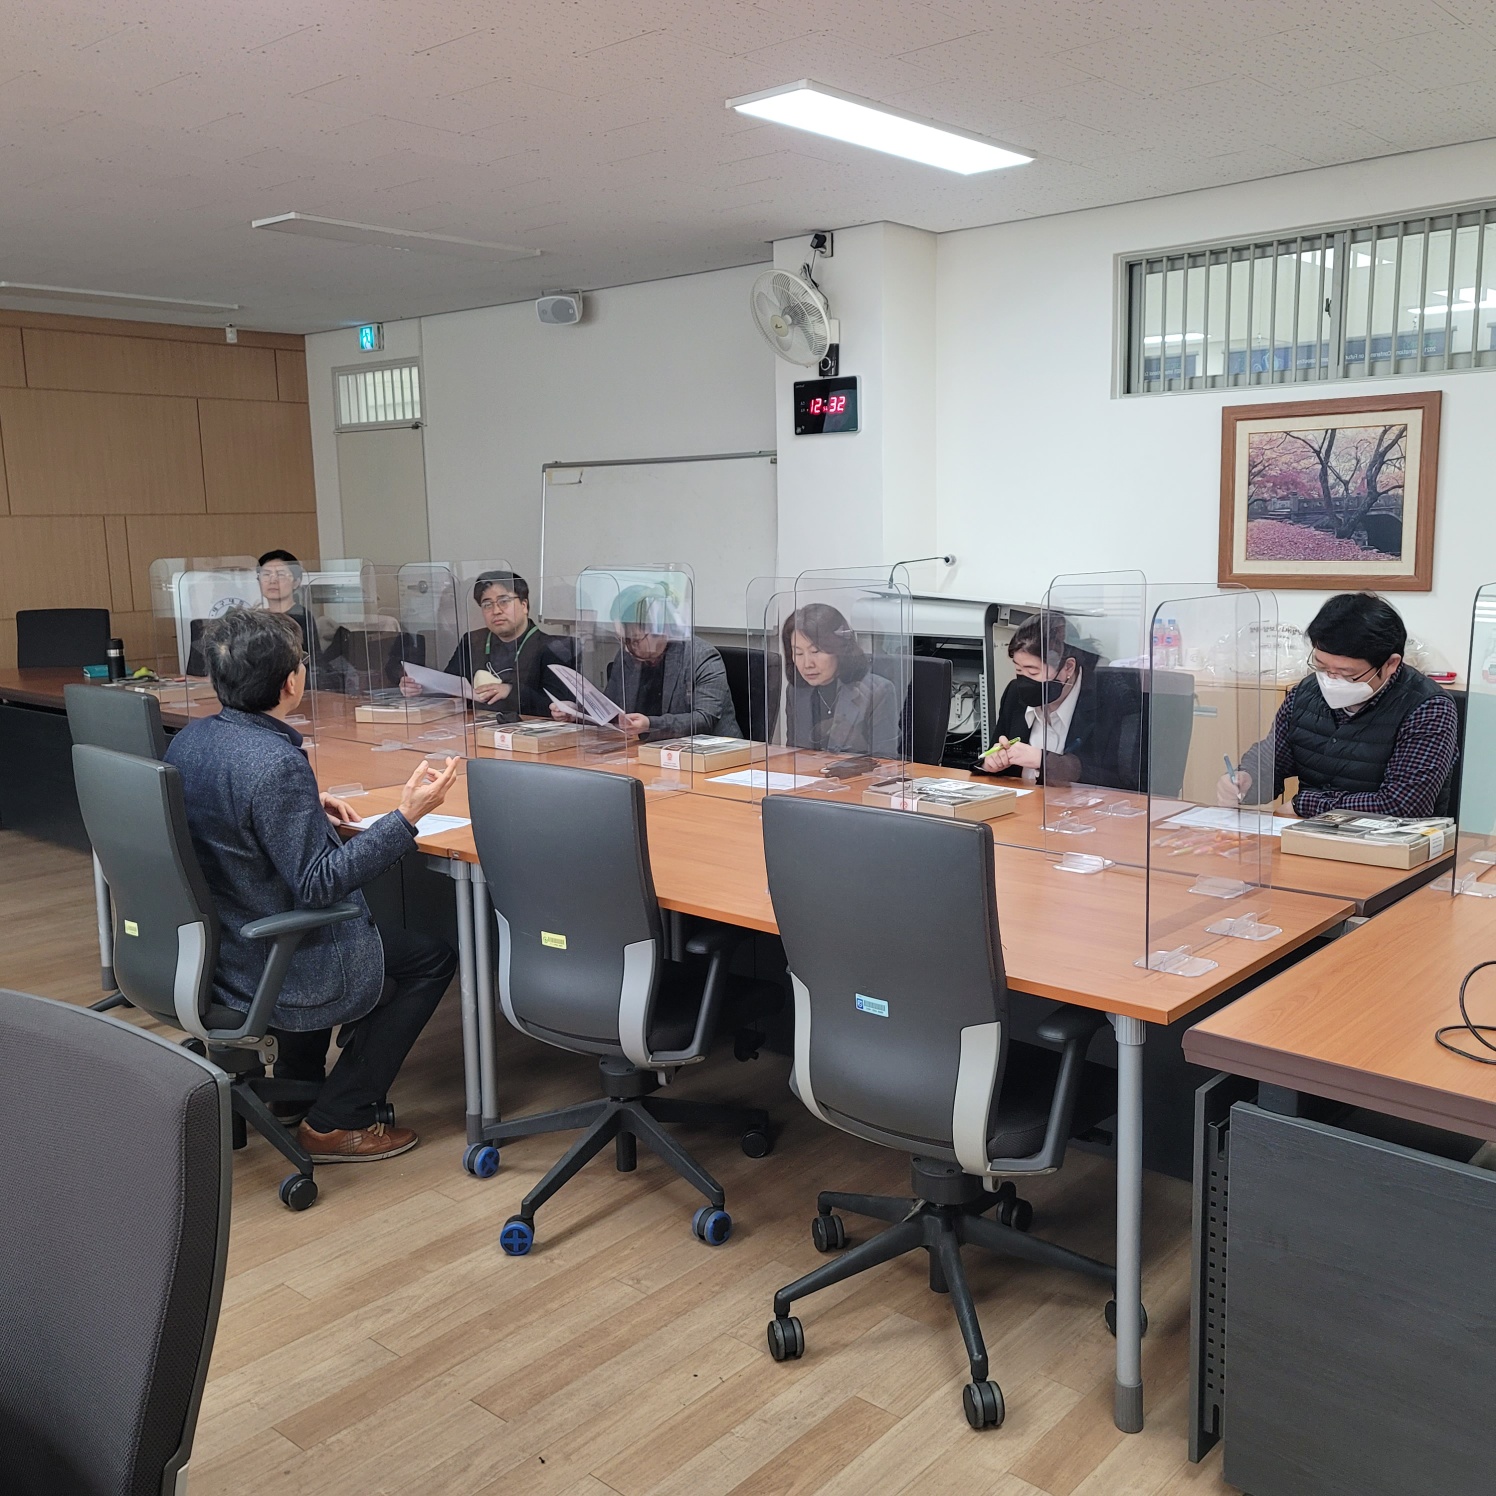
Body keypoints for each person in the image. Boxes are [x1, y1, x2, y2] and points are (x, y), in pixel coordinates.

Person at [164, 608, 461, 1163]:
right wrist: (406, 817)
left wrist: (304, 809)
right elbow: (319, 884)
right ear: (290, 683)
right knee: (431, 959)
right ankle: (337, 1119)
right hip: (266, 951)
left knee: (325, 932)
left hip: (220, 941)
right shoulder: (275, 763)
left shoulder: (193, 738)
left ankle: (292, 1092)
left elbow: (230, 819)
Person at [1221, 592, 1457, 817]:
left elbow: (1403, 805)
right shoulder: (1305, 692)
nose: (1331, 680)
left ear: (1390, 664)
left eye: (1347, 674)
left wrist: (1306, 804)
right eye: (1321, 666)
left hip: (1388, 842)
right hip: (1308, 834)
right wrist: (1246, 779)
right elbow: (1274, 759)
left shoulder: (1428, 708)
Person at [975, 613, 1145, 790]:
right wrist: (991, 763)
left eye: (1033, 672)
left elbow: (1123, 780)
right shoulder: (1014, 694)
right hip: (1023, 804)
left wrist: (1044, 761)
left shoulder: (1111, 699)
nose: (1024, 681)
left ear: (1068, 667)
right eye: (1019, 670)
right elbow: (994, 763)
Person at [555, 583, 739, 740]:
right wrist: (576, 712)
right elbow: (611, 709)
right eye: (622, 640)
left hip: (712, 755)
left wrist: (650, 724)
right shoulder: (627, 655)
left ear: (659, 628)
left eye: (634, 640)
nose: (627, 649)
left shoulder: (701, 657)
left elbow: (704, 719)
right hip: (649, 751)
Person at [402, 570, 572, 721]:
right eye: (487, 605)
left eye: (504, 601)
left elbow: (560, 708)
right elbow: (450, 687)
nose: (496, 611)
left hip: (528, 734)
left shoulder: (552, 648)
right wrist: (420, 688)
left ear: (524, 605)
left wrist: (510, 691)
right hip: (475, 730)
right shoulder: (472, 641)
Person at [783, 602, 901, 758]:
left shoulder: (877, 692)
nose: (807, 664)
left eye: (815, 651)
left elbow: (886, 761)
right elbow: (793, 755)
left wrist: (855, 740)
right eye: (798, 653)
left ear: (839, 649)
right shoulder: (796, 691)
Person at [256, 550, 322, 669]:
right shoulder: (257, 616)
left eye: (280, 574)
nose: (272, 580)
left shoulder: (300, 617)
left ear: (296, 582)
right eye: (266, 574)